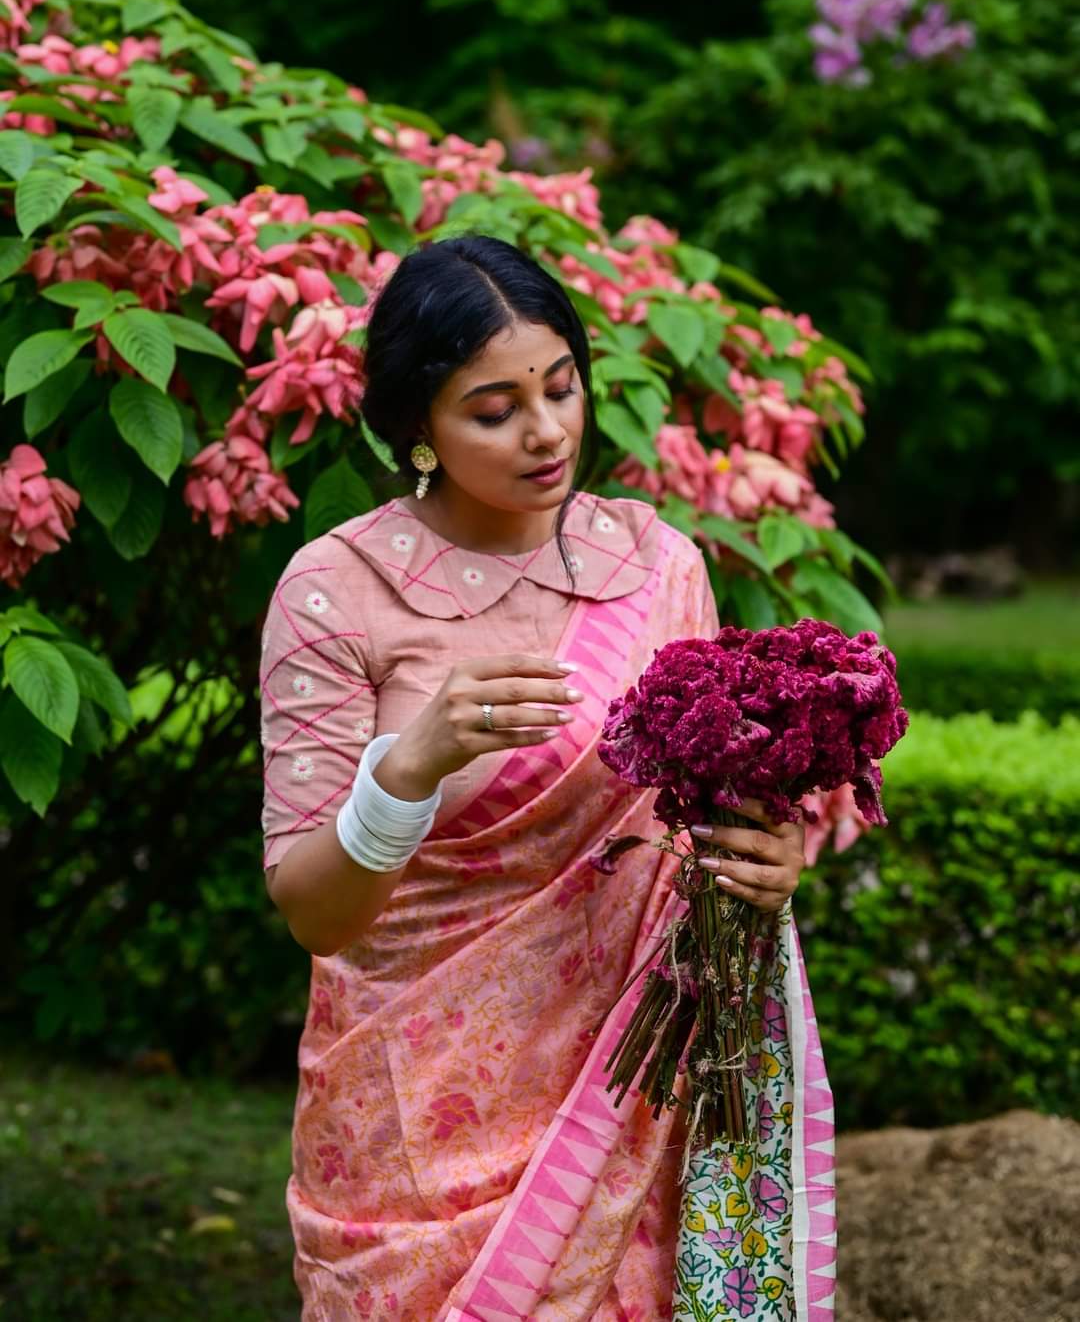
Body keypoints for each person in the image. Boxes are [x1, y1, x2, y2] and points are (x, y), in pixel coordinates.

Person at [259, 236, 835, 1320]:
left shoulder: (658, 565)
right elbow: (314, 910)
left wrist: (763, 861)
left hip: (633, 1092)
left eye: (562, 387)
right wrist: (411, 764)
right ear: (415, 427)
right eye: (493, 408)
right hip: (412, 1122)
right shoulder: (338, 590)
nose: (546, 430)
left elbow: (705, 830)